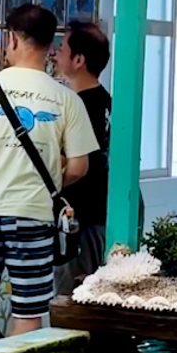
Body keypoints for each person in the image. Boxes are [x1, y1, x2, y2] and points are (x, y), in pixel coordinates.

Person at [0, 5, 96, 348]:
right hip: (33, 215)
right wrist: (50, 186)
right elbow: (79, 167)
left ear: (12, 38)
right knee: (28, 311)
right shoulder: (67, 99)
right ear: (50, 45)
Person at [55, 20, 112, 280]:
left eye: (62, 49)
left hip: (81, 220)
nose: (55, 54)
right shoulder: (106, 101)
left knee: (71, 295)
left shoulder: (78, 108)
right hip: (99, 214)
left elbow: (72, 164)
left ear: (78, 60)